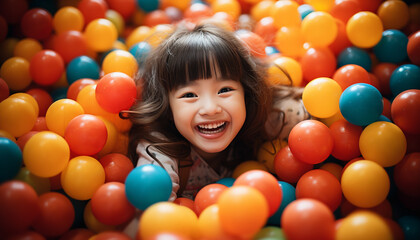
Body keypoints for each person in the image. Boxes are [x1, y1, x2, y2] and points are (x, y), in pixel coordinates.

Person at [121, 23, 308, 235]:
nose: (210, 108)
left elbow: (321, 115)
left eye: (225, 90)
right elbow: (148, 219)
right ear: (167, 106)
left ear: (246, 94)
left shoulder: (267, 118)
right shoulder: (161, 146)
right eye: (189, 95)